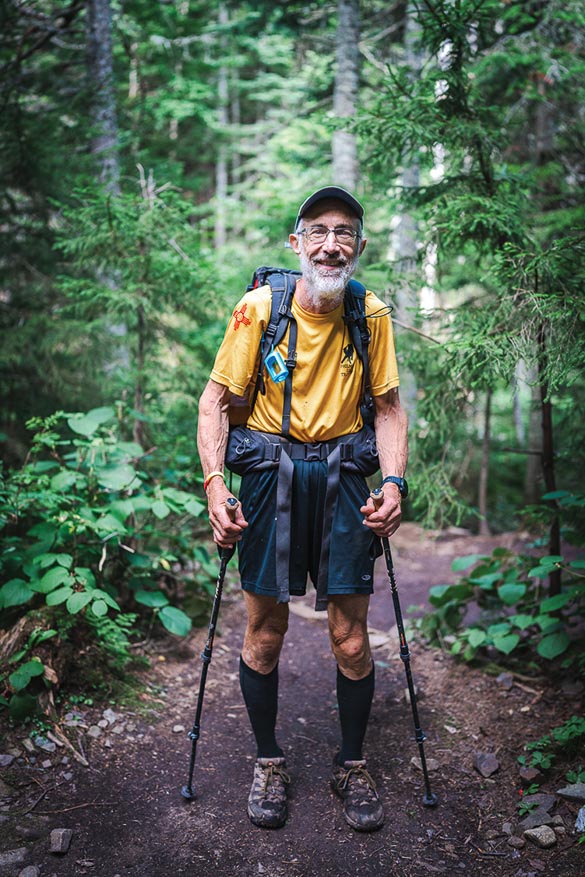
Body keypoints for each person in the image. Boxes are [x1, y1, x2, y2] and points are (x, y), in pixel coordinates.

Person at [197, 186, 407, 833]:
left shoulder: (368, 313)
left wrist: (394, 483)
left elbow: (391, 407)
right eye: (317, 230)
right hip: (269, 476)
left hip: (344, 474)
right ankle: (267, 759)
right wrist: (213, 485)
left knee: (348, 634)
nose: (330, 243)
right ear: (296, 243)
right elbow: (213, 401)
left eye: (344, 231)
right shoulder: (256, 309)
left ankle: (351, 762)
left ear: (359, 245)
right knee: (265, 629)